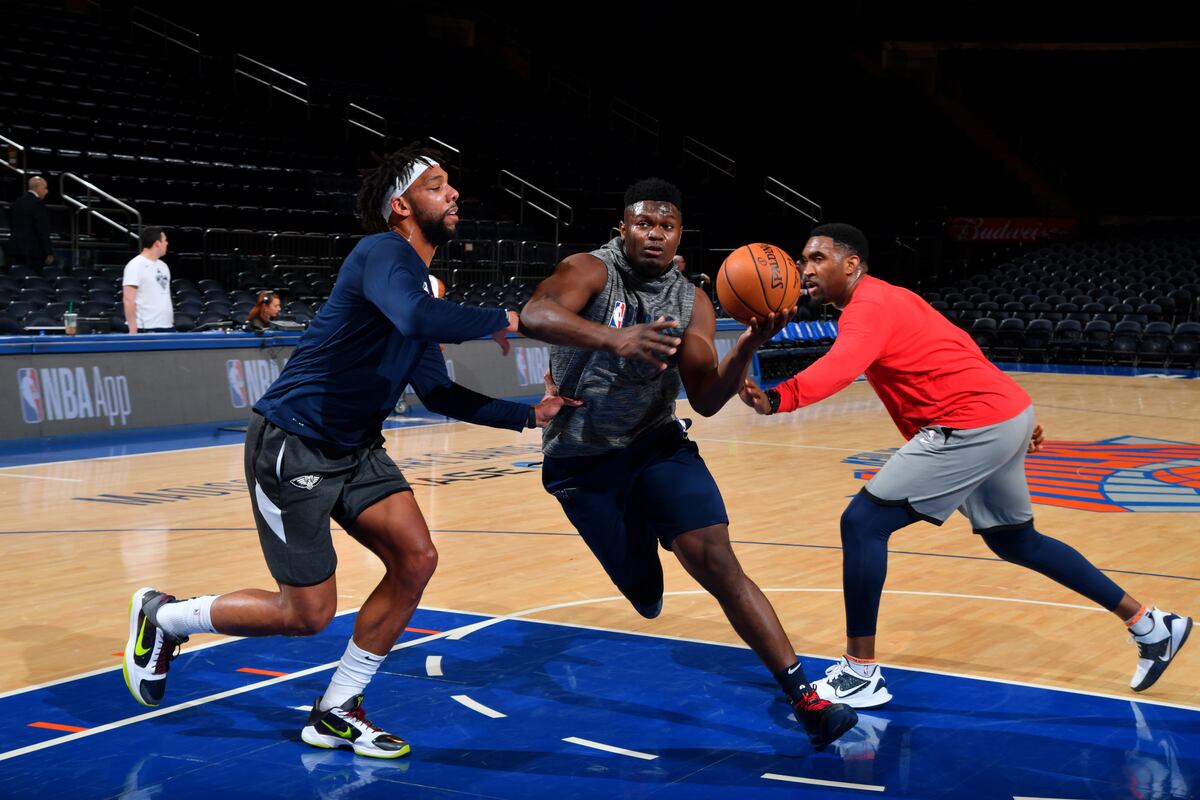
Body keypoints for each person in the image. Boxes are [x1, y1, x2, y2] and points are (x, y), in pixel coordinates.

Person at [122, 146, 580, 759]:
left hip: (357, 447)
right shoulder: (380, 254)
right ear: (401, 205)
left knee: (416, 559)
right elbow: (417, 317)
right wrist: (513, 318)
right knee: (306, 614)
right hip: (295, 443)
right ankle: (166, 618)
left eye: (451, 185)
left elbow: (437, 389)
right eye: (437, 185)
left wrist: (528, 415)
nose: (453, 194)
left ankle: (338, 708)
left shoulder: (422, 283)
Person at [739, 223, 1193, 708]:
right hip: (999, 413)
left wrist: (777, 397)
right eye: (802, 260)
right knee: (1015, 539)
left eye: (816, 259)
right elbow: (958, 344)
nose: (804, 270)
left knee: (863, 523)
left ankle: (860, 673)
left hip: (970, 422)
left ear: (852, 264)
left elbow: (842, 364)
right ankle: (1150, 625)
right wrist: (1011, 409)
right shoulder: (890, 298)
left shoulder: (867, 306)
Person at [519, 178, 858, 750]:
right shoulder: (590, 270)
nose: (655, 233)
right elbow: (535, 315)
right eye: (644, 223)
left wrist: (751, 341)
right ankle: (642, 553)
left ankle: (807, 700)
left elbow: (704, 396)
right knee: (646, 595)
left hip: (656, 446)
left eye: (667, 225)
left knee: (719, 563)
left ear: (679, 237)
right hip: (582, 463)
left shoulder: (692, 299)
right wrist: (613, 339)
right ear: (621, 229)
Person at [122, 227, 174, 334]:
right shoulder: (135, 265)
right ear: (157, 243)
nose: (167, 243)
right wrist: (133, 329)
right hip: (146, 327)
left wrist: (171, 321)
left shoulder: (163, 266)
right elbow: (128, 299)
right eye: (165, 240)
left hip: (167, 326)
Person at [7, 175, 53, 267]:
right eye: (45, 188)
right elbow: (42, 230)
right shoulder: (38, 204)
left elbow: (11, 223)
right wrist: (48, 252)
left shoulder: (17, 202)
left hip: (15, 249)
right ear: (38, 187)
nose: (46, 191)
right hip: (33, 252)